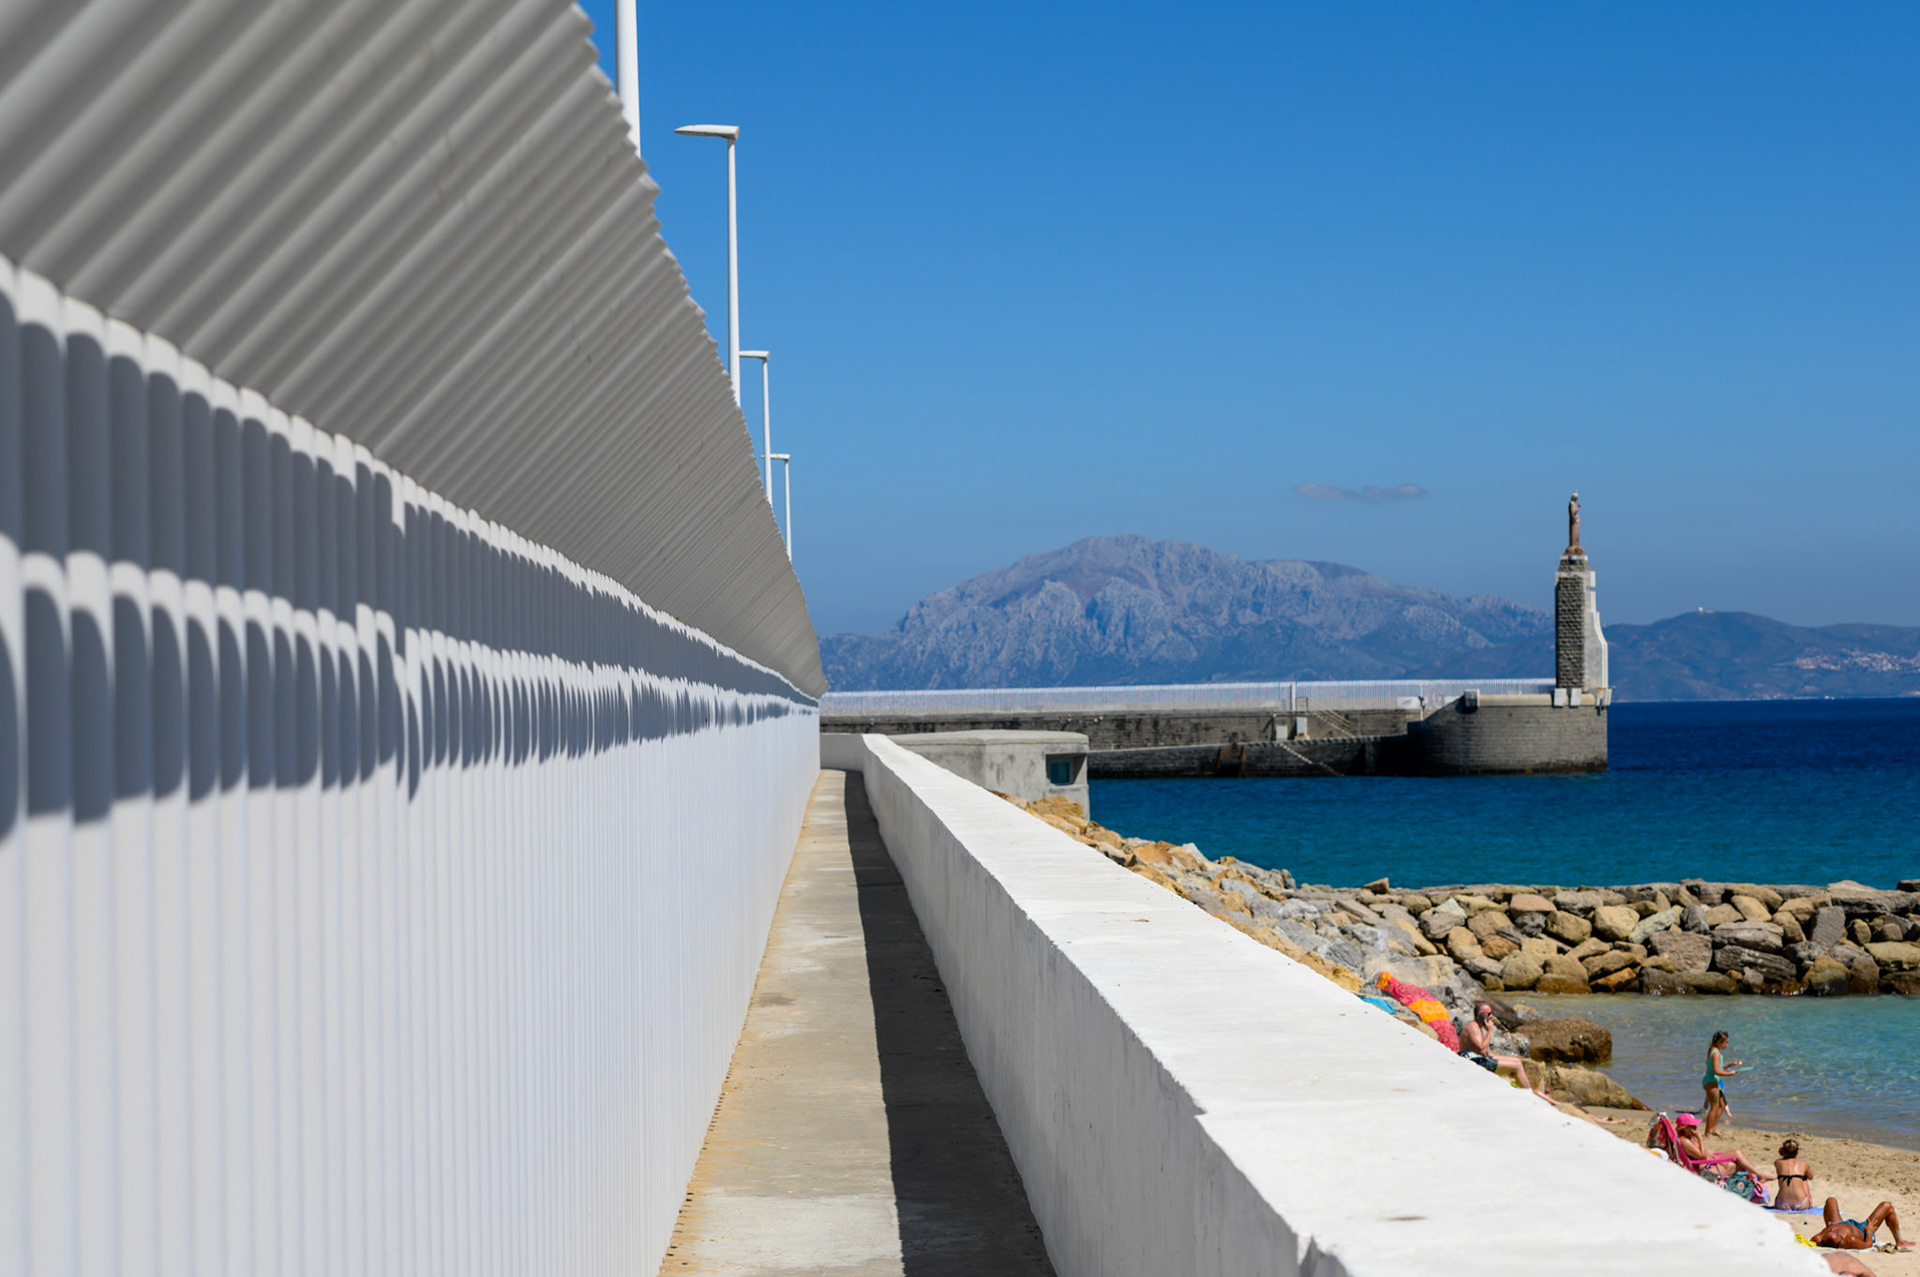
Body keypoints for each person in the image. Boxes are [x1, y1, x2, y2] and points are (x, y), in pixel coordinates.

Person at [1458, 1003, 1546, 1096]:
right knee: (1516, 1067)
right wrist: (1490, 1031)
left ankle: (1525, 1089)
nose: (1491, 1016)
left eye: (1491, 1013)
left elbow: (1489, 1054)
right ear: (1479, 1016)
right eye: (1488, 1014)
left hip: (1480, 1059)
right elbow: (1482, 1050)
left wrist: (1509, 1058)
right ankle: (1530, 1095)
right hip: (1474, 1062)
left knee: (1517, 1061)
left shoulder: (1480, 1027)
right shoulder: (1473, 1028)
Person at [1675, 1113, 1772, 1182]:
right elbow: (1702, 1156)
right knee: (1736, 1163)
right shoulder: (1685, 1141)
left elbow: (1705, 1152)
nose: (1695, 1129)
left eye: (1695, 1126)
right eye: (1692, 1127)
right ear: (1684, 1128)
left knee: (1736, 1153)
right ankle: (1759, 1176)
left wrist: (1718, 1159)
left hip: (1707, 1163)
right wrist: (1700, 1139)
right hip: (1703, 1168)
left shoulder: (1690, 1138)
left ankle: (1759, 1175)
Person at [1810, 1199, 1913, 1252]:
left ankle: (1832, 1228)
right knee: (1887, 1206)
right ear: (1842, 1242)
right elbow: (1868, 1245)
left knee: (1831, 1201)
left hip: (1840, 1223)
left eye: (1832, 1231)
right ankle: (1900, 1241)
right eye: (1837, 1233)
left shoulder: (1818, 1238)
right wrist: (1868, 1232)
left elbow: (1817, 1239)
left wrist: (1830, 1227)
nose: (1835, 1230)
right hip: (1862, 1229)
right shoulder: (1850, 1241)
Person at [1702, 1030, 1740, 1137]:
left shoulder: (1713, 1050)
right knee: (1714, 1107)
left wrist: (1732, 1064)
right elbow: (1716, 1071)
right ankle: (1707, 1132)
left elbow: (1719, 1066)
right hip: (1711, 1082)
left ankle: (1713, 1129)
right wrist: (1730, 1074)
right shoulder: (1716, 1053)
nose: (1727, 1045)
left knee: (1722, 1105)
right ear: (1719, 1042)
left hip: (1714, 1082)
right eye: (1726, 1042)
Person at [1774, 1138, 1814, 1212]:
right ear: (1797, 1153)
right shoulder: (1804, 1163)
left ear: (1782, 1151)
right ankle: (1808, 1201)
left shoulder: (1777, 1163)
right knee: (1804, 1179)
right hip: (1802, 1204)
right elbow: (1811, 1177)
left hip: (1782, 1204)